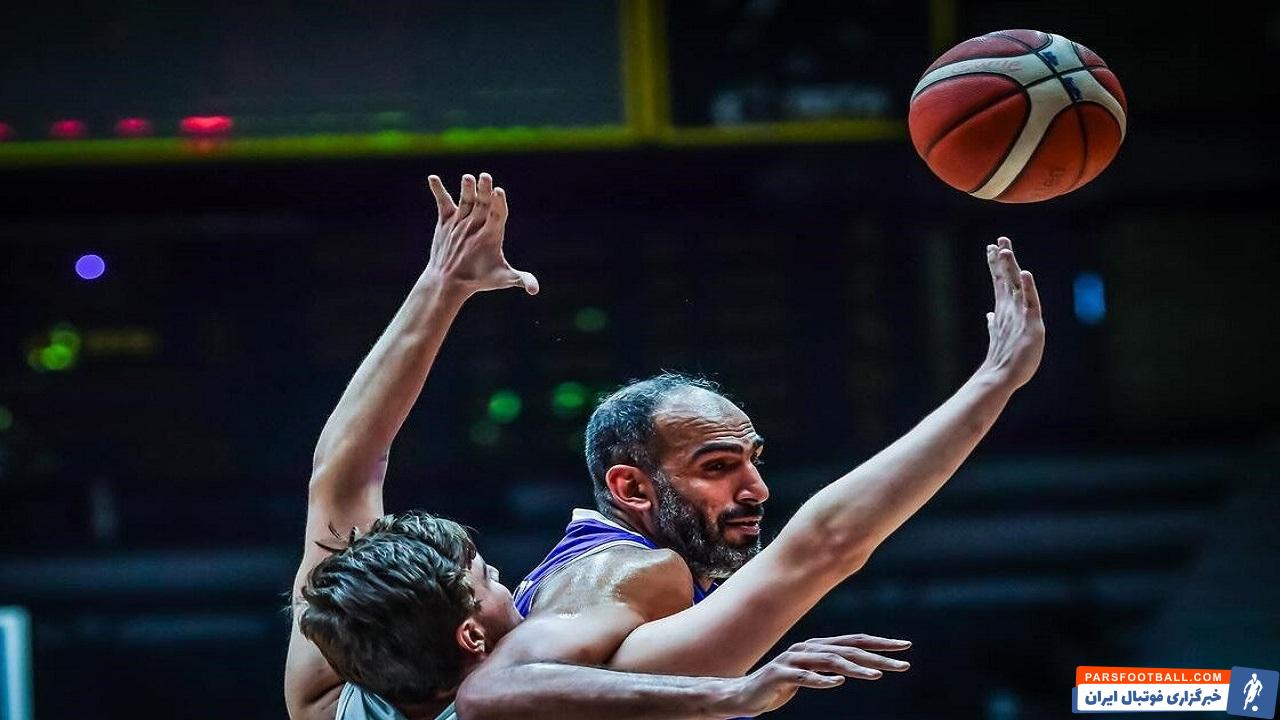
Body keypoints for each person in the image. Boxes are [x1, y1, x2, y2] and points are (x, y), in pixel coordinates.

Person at [284, 173, 911, 720]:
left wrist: (444, 283)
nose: (507, 581)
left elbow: (344, 472)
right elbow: (820, 547)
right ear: (472, 638)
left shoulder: (329, 700)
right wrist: (735, 694)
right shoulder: (568, 694)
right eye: (489, 578)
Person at [457, 231, 1044, 696]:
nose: (757, 490)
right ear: (632, 488)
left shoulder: (631, 579)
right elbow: (500, 690)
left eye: (752, 460)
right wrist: (993, 381)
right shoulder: (624, 569)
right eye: (717, 467)